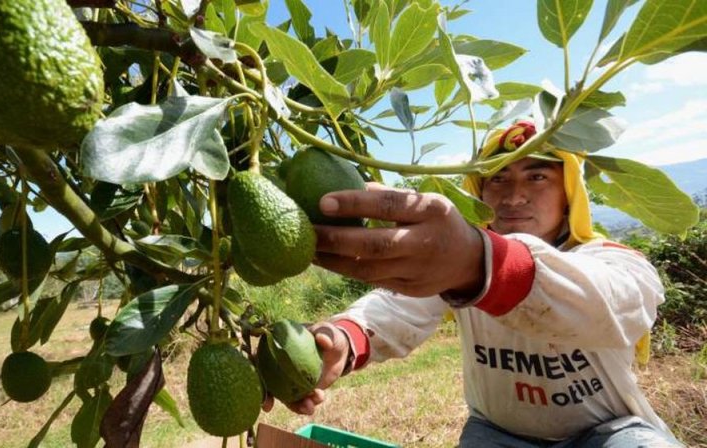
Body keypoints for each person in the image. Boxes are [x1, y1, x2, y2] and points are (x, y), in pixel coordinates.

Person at [264, 121, 683, 447]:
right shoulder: (461, 267)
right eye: (497, 179)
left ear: (569, 192)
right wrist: (346, 336)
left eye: (537, 177)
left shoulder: (613, 260)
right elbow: (399, 308)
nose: (513, 195)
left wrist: (484, 263)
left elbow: (612, 303)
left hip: (606, 434)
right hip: (497, 435)